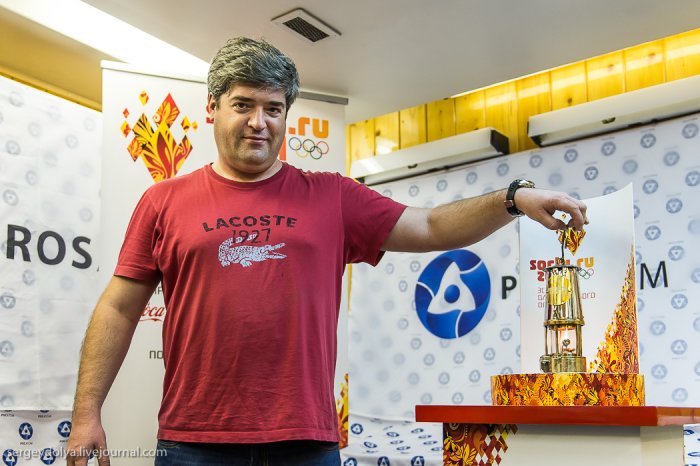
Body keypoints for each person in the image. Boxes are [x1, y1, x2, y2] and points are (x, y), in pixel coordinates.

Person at [66, 36, 588, 466]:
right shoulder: (163, 200)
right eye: (243, 104)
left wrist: (511, 197)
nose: (259, 121)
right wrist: (87, 412)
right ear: (212, 109)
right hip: (194, 441)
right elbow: (119, 307)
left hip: (306, 441)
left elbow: (430, 226)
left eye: (273, 108)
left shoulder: (332, 195)